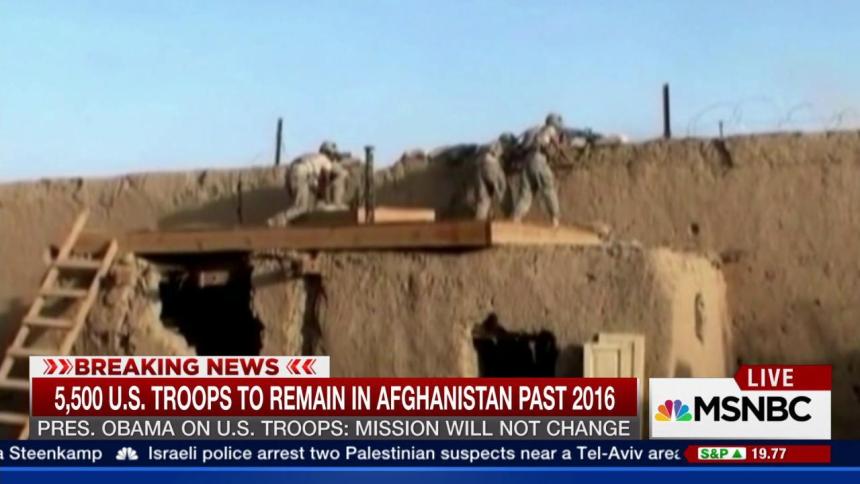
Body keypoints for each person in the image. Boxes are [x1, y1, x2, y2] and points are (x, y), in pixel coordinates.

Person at [511, 113, 563, 227]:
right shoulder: (550, 129)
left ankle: (516, 218)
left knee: (525, 195)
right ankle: (555, 219)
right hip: (539, 161)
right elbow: (556, 144)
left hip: (527, 163)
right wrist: (561, 149)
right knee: (548, 189)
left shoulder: (535, 130)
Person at [282, 141, 349, 222]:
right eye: (333, 155)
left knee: (304, 204)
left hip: (291, 173)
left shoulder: (311, 156)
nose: (333, 158)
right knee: (301, 207)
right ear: (328, 153)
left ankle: (290, 218)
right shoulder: (325, 160)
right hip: (301, 173)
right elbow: (326, 178)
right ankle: (278, 220)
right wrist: (326, 196)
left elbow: (311, 182)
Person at [473, 138, 508, 220]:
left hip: (479, 167)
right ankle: (502, 215)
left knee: (483, 197)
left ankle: (479, 221)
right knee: (500, 190)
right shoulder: (499, 144)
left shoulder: (486, 145)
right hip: (491, 164)